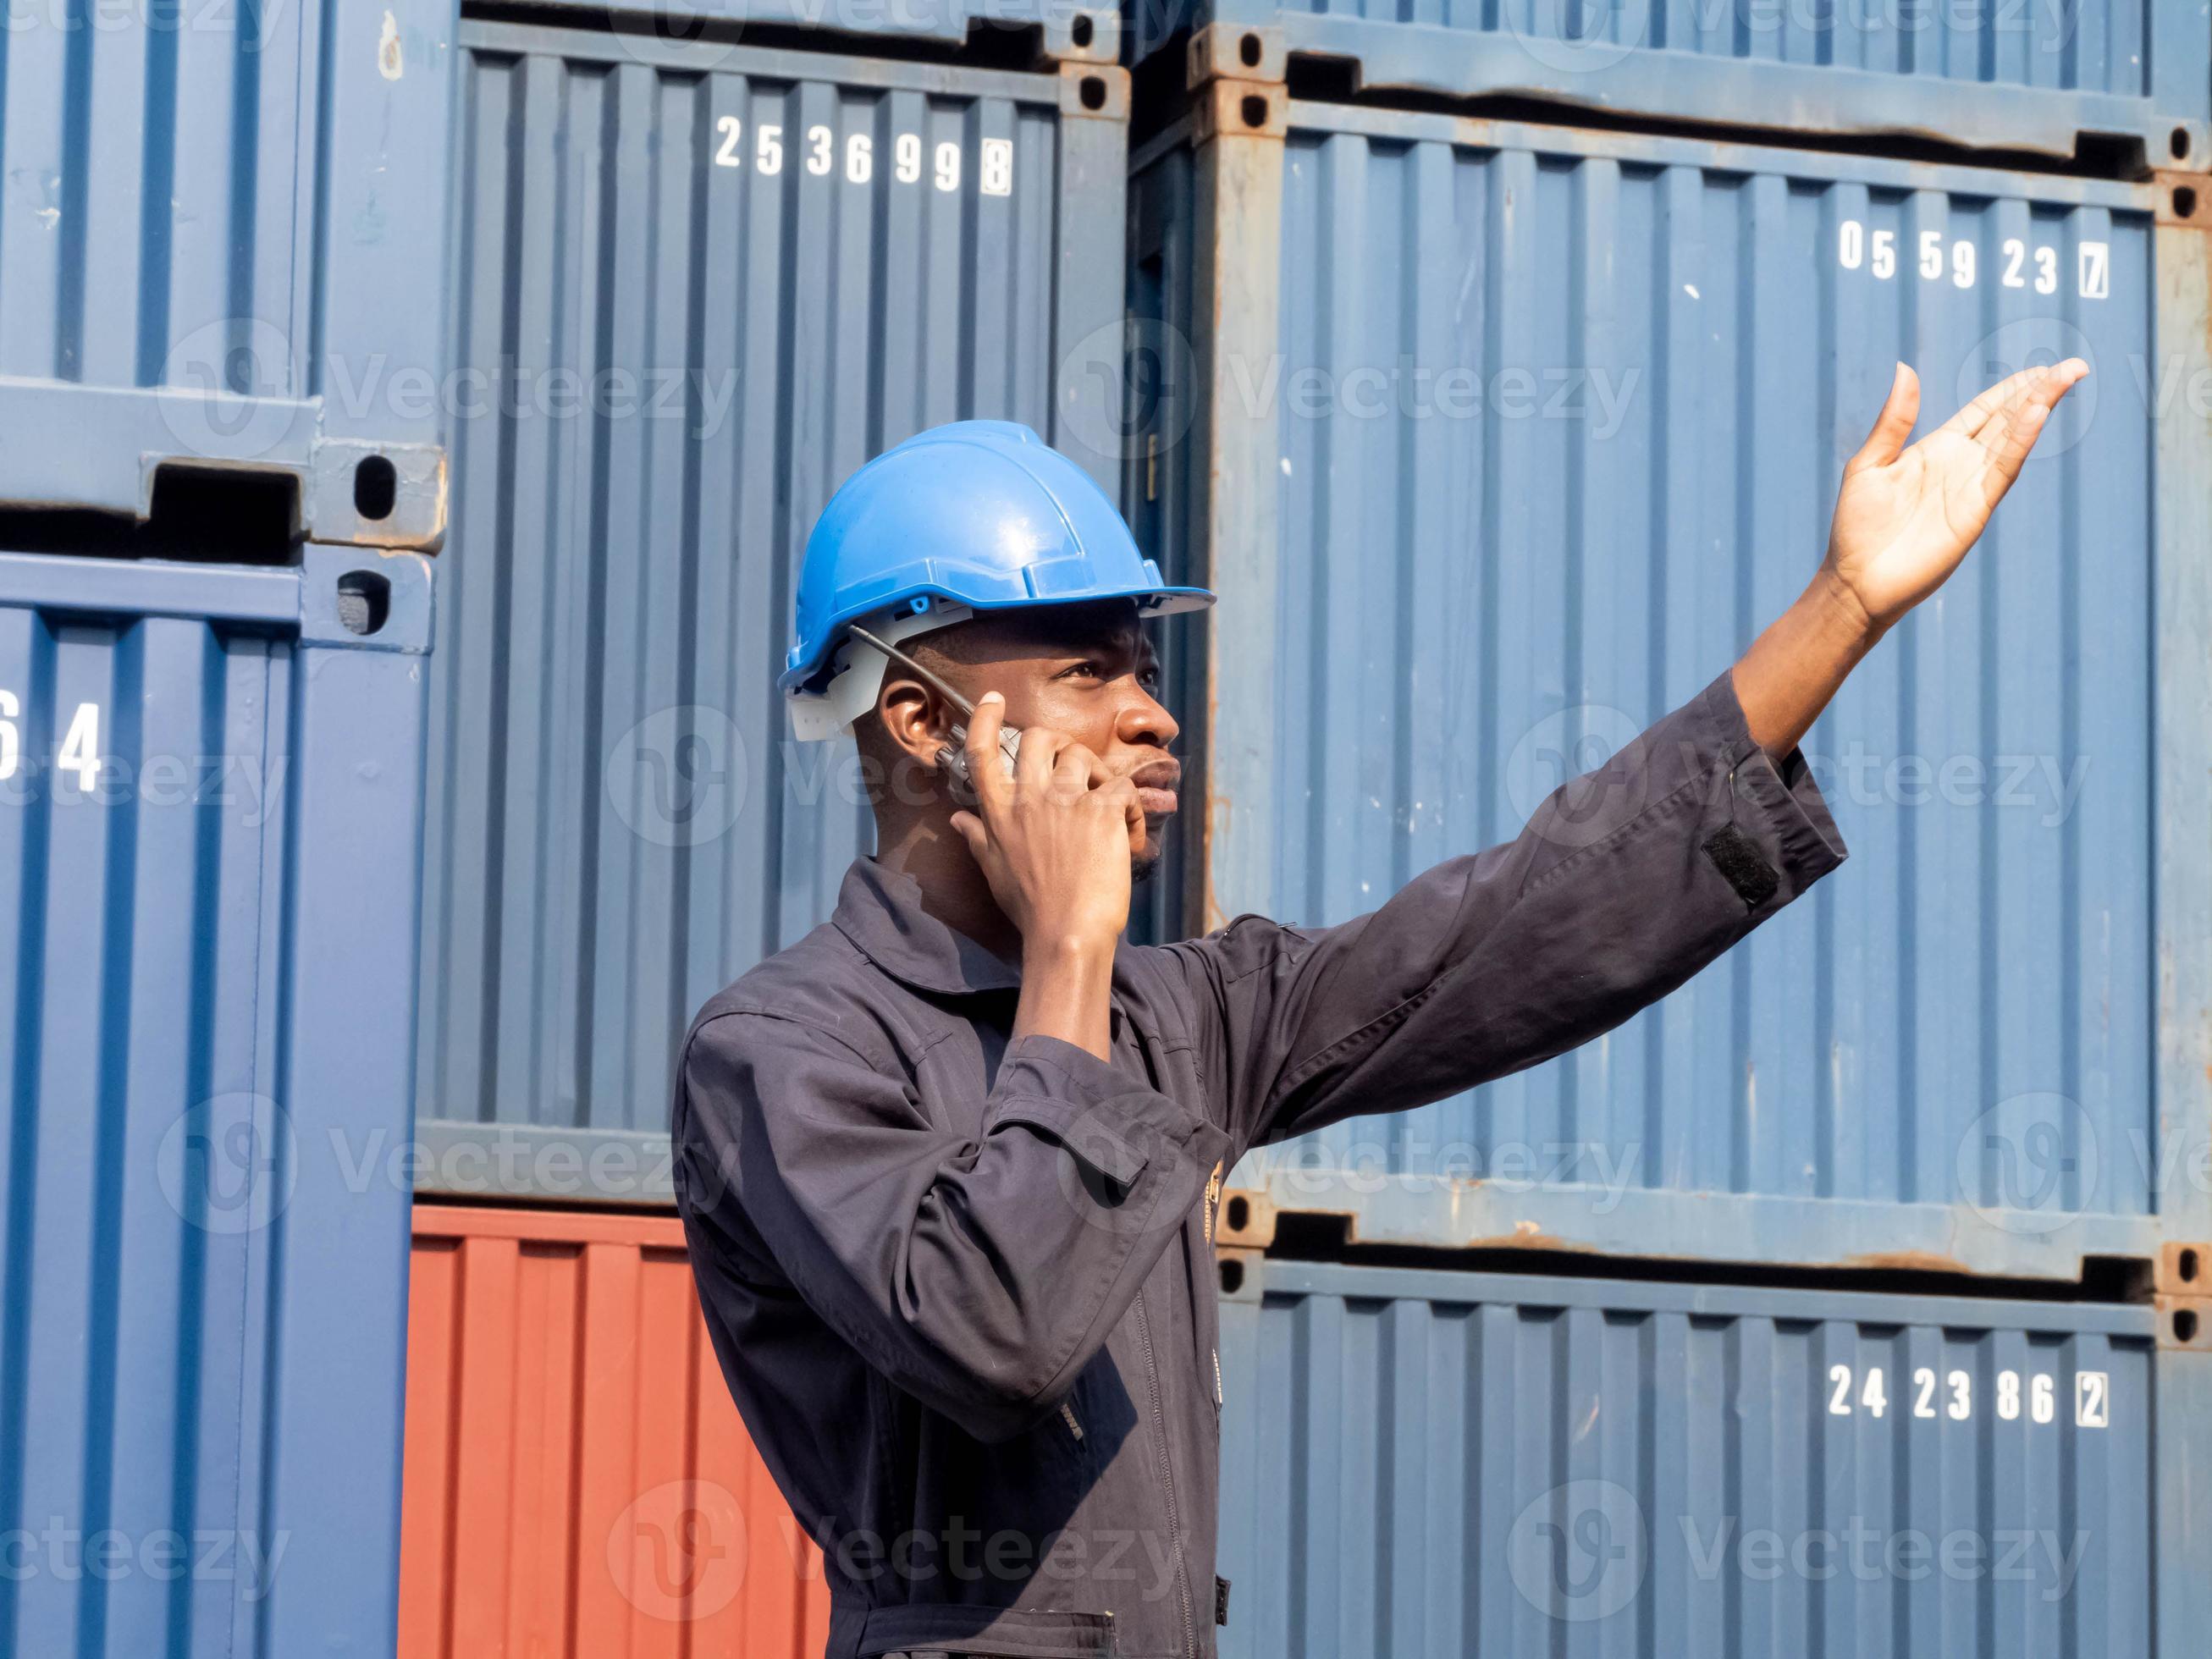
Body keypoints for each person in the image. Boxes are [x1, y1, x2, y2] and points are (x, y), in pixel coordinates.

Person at [671, 360, 2087, 1659]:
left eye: (1147, 668)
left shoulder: (1182, 1013)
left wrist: (1839, 610)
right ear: (922, 724)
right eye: (1087, 668)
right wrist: (1067, 961)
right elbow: (992, 1329)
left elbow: (1514, 919)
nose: (1154, 715)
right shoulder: (781, 1053)